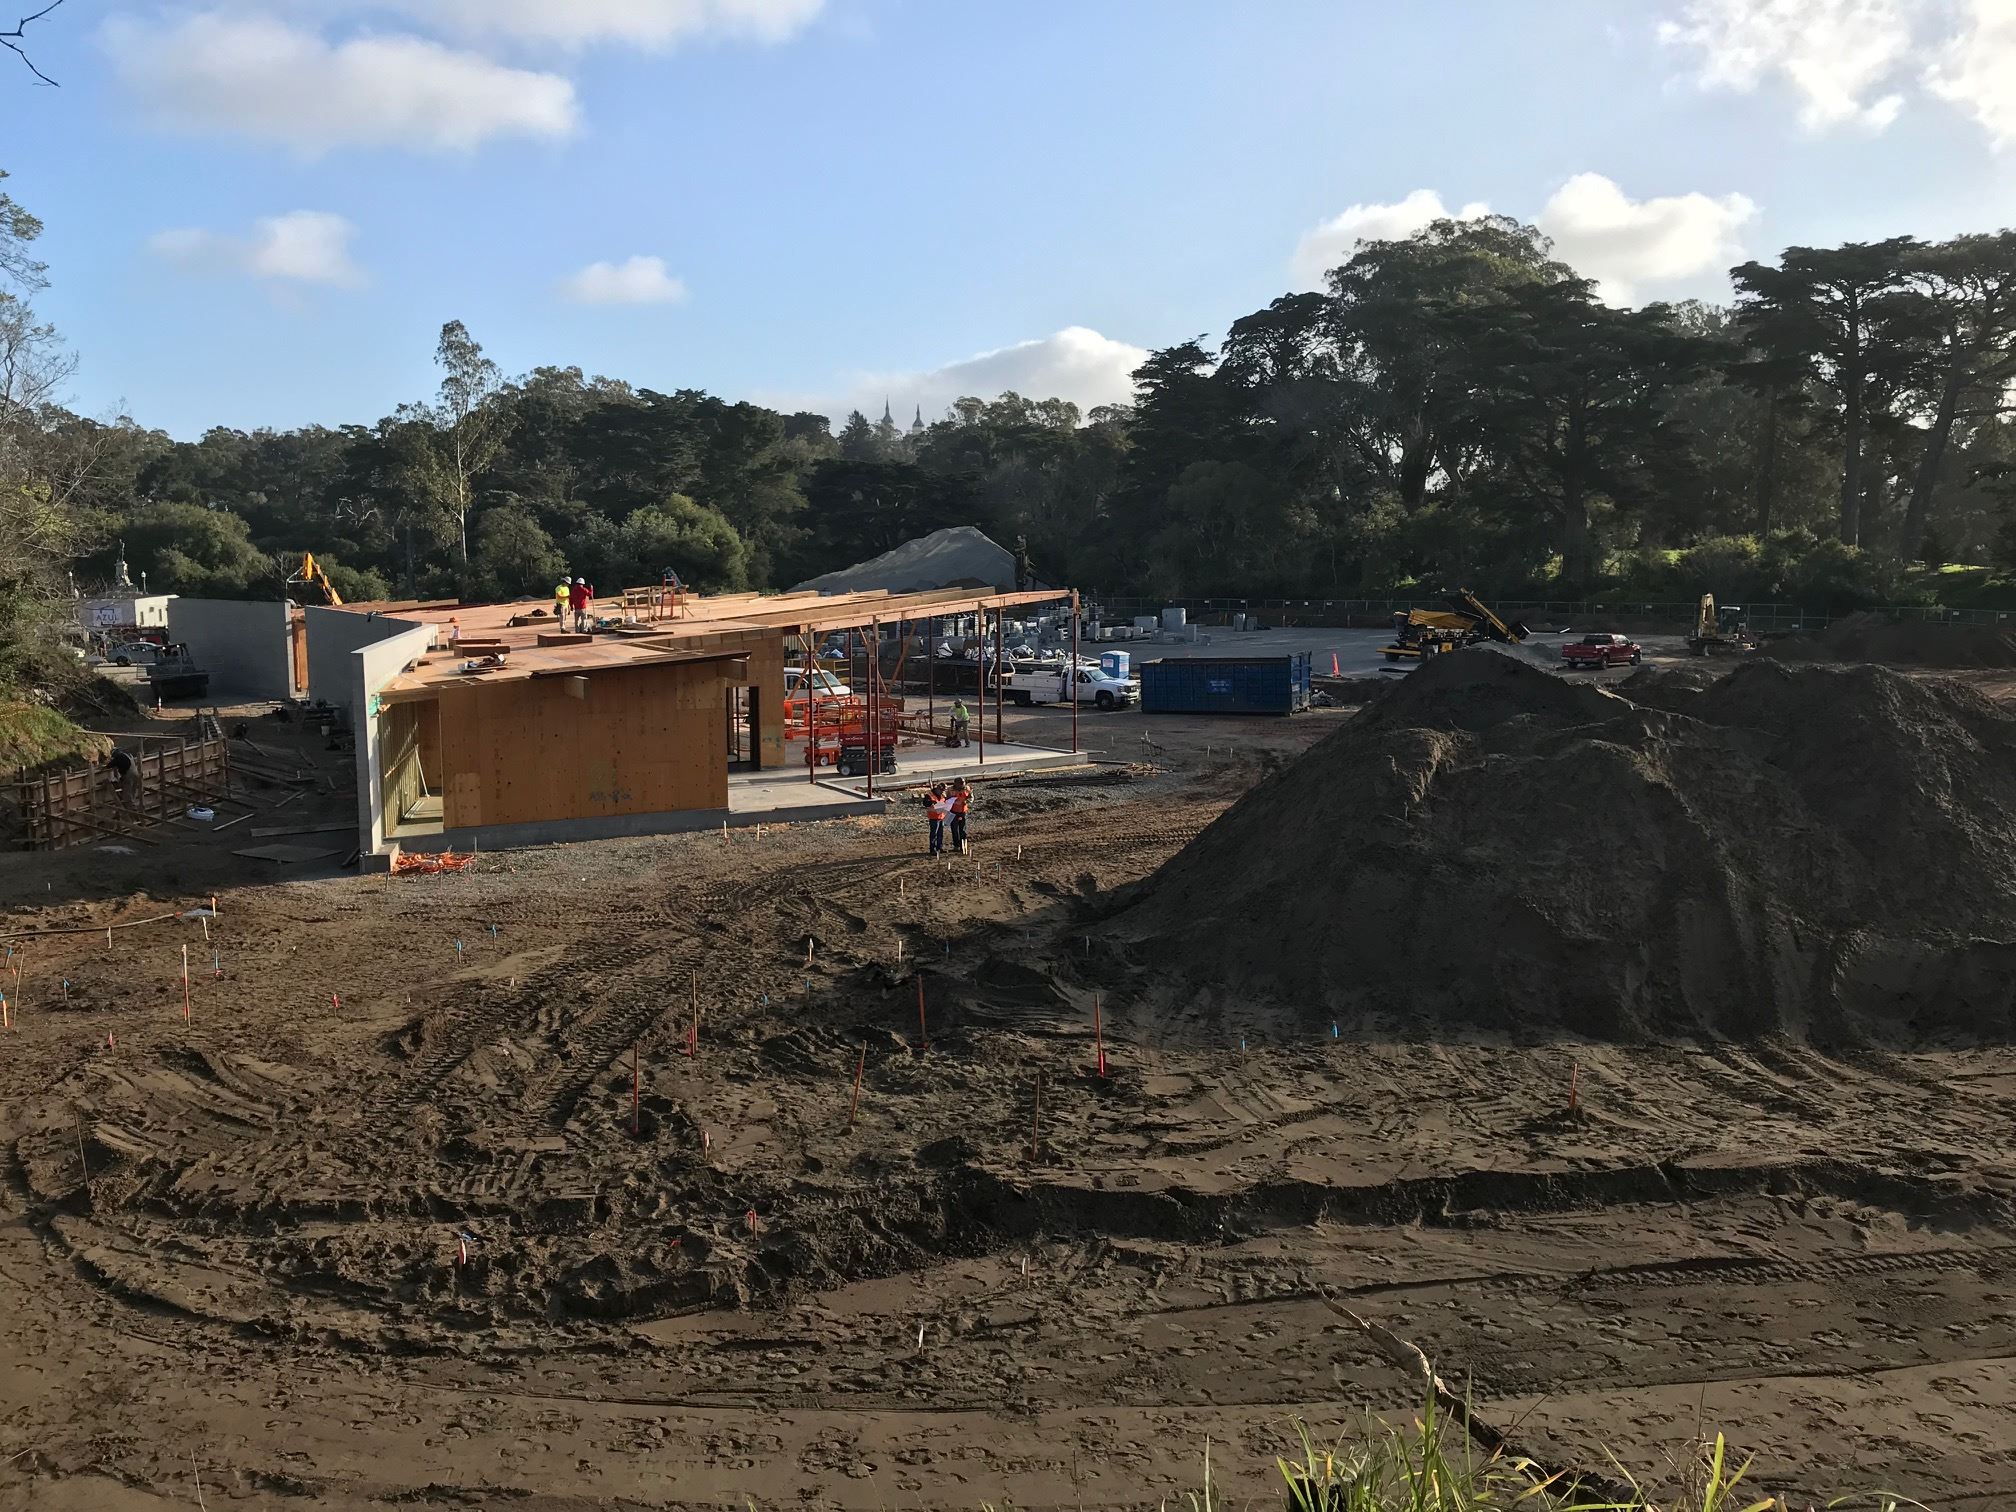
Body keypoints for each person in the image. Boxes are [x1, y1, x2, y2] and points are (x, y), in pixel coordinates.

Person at [949, 777, 971, 854]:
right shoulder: (950, 790)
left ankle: (963, 845)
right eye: (961, 783)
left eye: (963, 782)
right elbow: (946, 798)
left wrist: (967, 801)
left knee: (963, 830)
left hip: (962, 811)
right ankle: (956, 845)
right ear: (956, 783)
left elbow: (971, 798)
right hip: (953, 812)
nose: (962, 784)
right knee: (954, 829)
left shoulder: (967, 789)